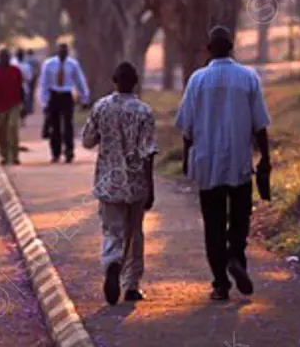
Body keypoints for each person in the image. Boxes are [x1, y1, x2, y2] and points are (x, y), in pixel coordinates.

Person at [175, 25, 271, 302]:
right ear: (232, 47)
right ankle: (236, 257)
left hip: (208, 164)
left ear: (209, 49)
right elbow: (260, 124)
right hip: (240, 163)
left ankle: (220, 283)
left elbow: (188, 128)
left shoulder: (197, 80)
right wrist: (265, 158)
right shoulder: (248, 77)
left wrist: (185, 158)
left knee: (213, 222)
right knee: (241, 217)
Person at [82, 61, 157, 305]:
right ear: (135, 83)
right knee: (134, 233)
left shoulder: (101, 107)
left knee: (112, 231)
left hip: (108, 183)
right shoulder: (144, 111)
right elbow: (148, 152)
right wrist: (150, 186)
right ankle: (132, 285)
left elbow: (88, 141)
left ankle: (112, 262)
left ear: (114, 81)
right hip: (135, 184)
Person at [39, 42, 90, 163]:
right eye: (61, 50)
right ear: (57, 51)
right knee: (54, 126)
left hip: (67, 96)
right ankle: (55, 153)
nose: (63, 52)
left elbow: (79, 81)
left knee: (68, 125)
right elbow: (44, 83)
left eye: (65, 50)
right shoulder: (49, 64)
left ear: (67, 52)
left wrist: (84, 98)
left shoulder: (73, 64)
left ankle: (69, 152)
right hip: (54, 95)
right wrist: (44, 102)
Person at [0, 48, 25, 165]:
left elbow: (21, 88)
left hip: (14, 104)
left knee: (12, 128)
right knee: (1, 131)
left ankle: (14, 156)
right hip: (0, 106)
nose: (5, 60)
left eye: (7, 57)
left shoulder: (16, 71)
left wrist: (23, 105)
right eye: (3, 57)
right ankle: (4, 155)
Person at [14, 47, 33, 117]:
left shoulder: (13, 65)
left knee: (16, 104)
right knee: (24, 103)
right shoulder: (27, 66)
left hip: (15, 88)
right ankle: (23, 119)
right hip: (24, 87)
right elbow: (29, 78)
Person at [26, 48, 41, 114]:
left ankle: (29, 107)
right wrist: (37, 76)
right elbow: (39, 69)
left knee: (27, 92)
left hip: (27, 78)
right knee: (32, 91)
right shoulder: (36, 60)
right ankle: (31, 107)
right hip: (34, 77)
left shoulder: (25, 59)